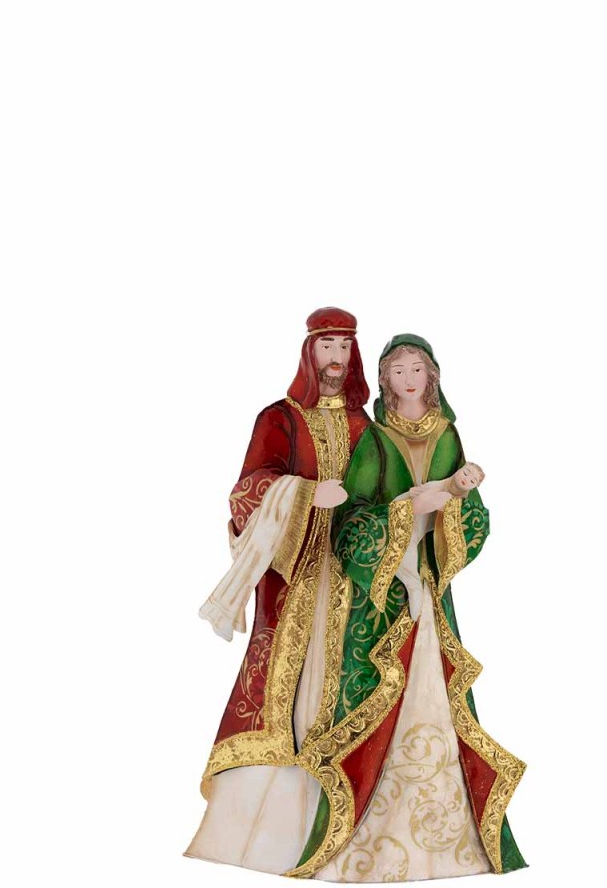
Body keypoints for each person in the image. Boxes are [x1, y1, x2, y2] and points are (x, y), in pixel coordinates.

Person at [290, 333, 527, 881]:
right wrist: (403, 515)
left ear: (432, 375)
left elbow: (473, 512)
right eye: (397, 371)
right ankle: (363, 836)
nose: (409, 379)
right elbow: (352, 519)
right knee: (378, 692)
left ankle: (449, 836)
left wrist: (454, 498)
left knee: (438, 692)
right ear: (385, 381)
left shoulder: (447, 435)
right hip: (383, 596)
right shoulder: (375, 439)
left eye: (416, 369)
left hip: (430, 586)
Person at [184, 307, 371, 874]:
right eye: (326, 346)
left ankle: (342, 817)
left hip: (352, 580)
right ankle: (259, 824)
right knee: (280, 685)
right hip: (292, 581)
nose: (335, 358)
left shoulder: (366, 426)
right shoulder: (280, 418)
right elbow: (247, 491)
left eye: (344, 347)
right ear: (309, 353)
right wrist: (305, 495)